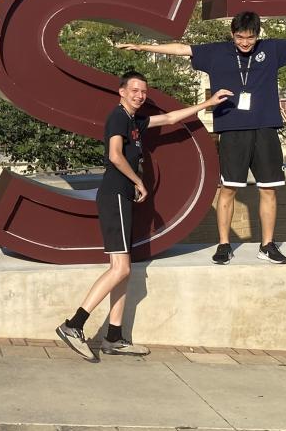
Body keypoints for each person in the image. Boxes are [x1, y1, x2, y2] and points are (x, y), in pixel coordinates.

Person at [119, 13, 286, 266]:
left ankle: (267, 245)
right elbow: (181, 48)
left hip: (265, 128)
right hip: (232, 130)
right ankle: (224, 244)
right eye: (240, 37)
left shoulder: (270, 49)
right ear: (232, 34)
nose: (245, 43)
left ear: (257, 35)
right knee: (228, 189)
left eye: (250, 38)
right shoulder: (216, 52)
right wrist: (143, 46)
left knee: (269, 189)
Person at [55, 71, 232, 362]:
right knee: (121, 269)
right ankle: (73, 325)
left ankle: (114, 337)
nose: (140, 95)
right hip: (115, 196)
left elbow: (171, 118)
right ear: (121, 92)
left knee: (123, 269)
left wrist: (208, 103)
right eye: (134, 90)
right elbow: (114, 154)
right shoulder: (118, 117)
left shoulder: (135, 121)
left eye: (143, 91)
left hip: (122, 197)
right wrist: (138, 181)